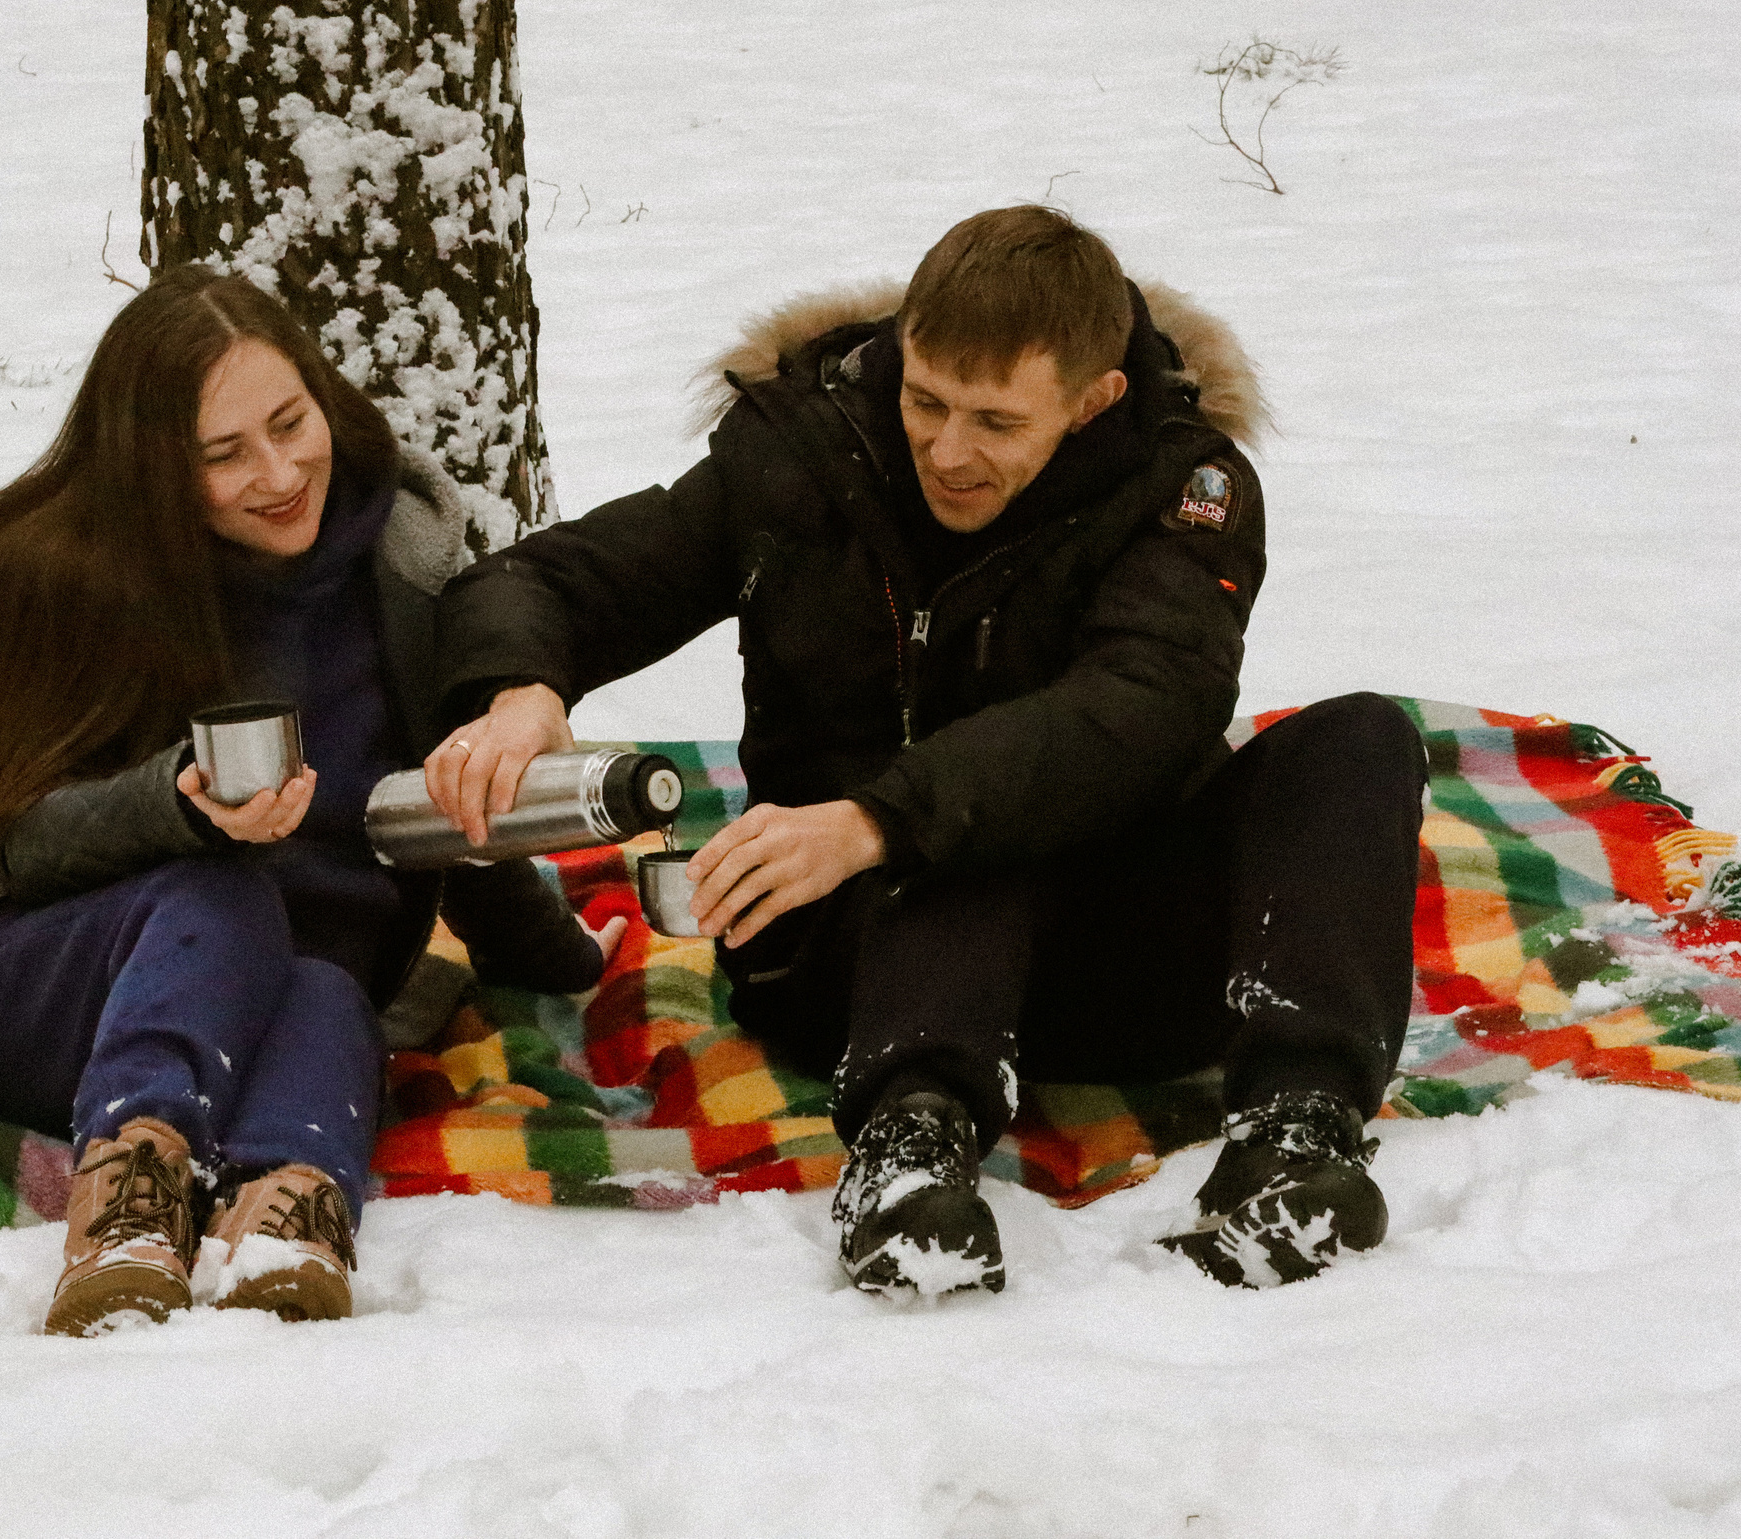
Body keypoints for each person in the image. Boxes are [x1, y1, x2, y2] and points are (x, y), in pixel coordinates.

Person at [423, 206, 1427, 1294]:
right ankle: (908, 1158)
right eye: (924, 401)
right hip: (854, 970)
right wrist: (519, 687)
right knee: (958, 822)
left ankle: (1299, 1136)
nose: (948, 450)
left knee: (1357, 739)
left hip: (1125, 968)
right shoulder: (800, 452)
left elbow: (1142, 707)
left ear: (1095, 402)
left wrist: (874, 818)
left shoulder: (1184, 489)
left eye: (995, 423)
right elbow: (551, 580)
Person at [0, 265, 618, 1335]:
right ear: (151, 471)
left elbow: (435, 796)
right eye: (225, 455)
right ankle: (130, 1193)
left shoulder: (404, 557)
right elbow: (15, 838)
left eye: (288, 423)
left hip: (279, 994)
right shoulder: (64, 572)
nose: (278, 472)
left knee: (332, 993)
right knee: (227, 900)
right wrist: (177, 806)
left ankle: (289, 1213)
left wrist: (552, 954)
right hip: (42, 977)